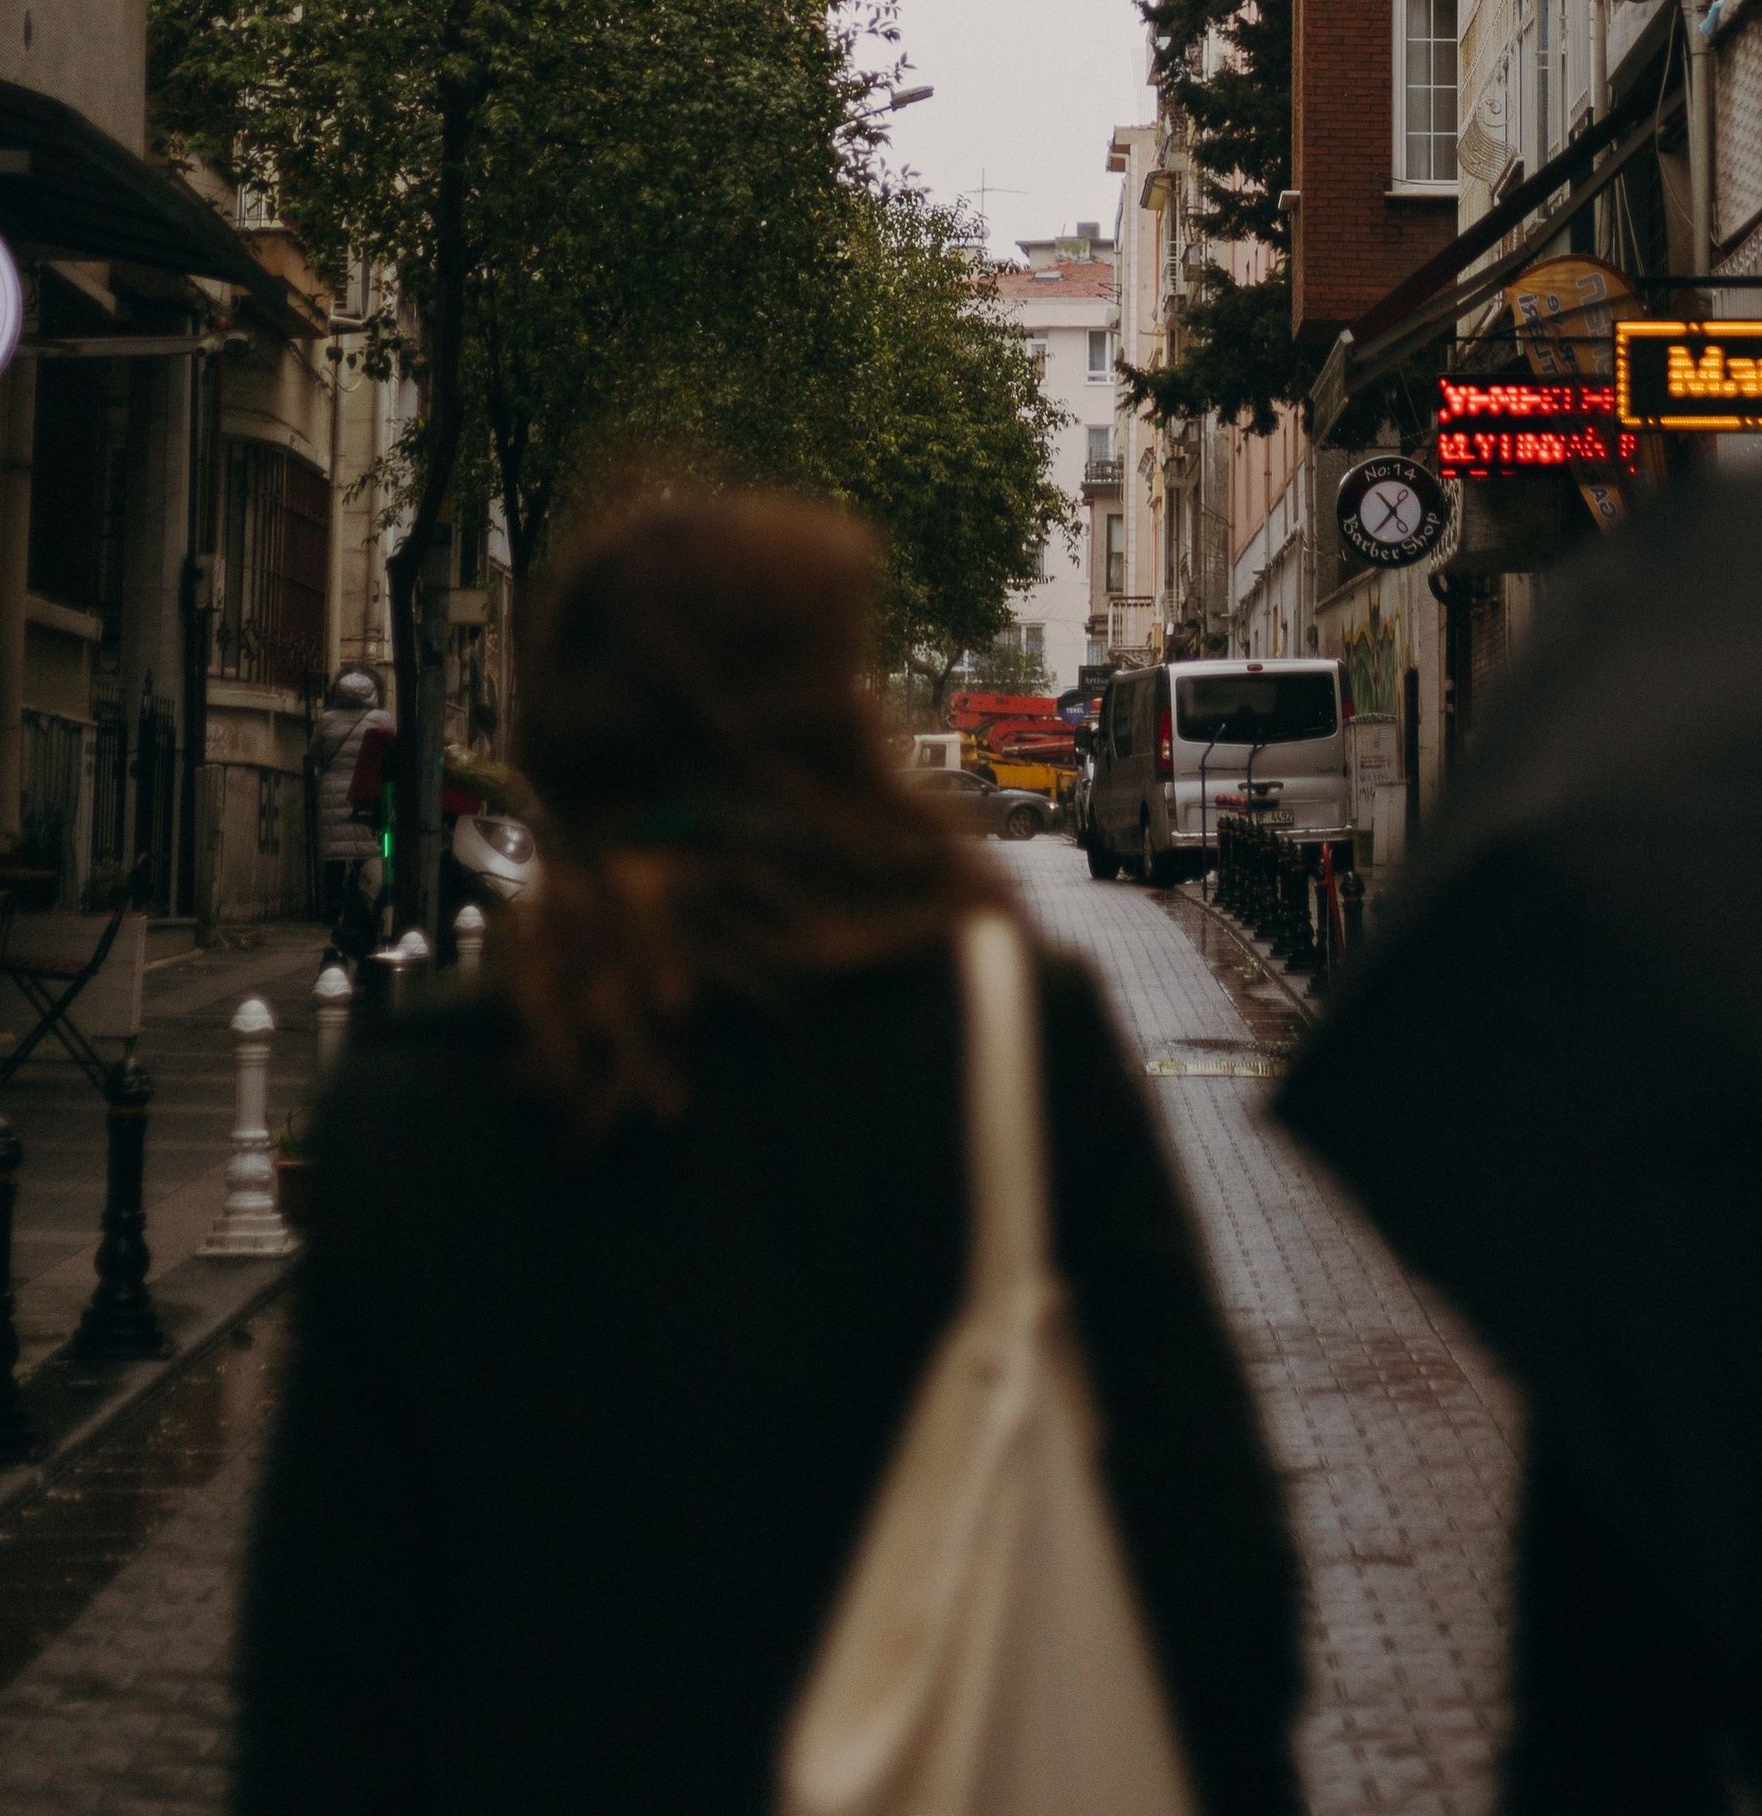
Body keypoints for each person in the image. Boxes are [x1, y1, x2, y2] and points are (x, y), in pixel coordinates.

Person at [238, 485, 1302, 1816]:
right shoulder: (1006, 1045)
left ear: (564, 749)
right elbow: (1207, 1551)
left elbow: (329, 1658)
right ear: (835, 727)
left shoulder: (428, 1107)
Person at [308, 665, 387, 966]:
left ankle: (331, 908)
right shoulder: (382, 719)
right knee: (367, 852)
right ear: (373, 693)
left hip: (332, 795)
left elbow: (315, 756)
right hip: (367, 794)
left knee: (333, 856)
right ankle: (362, 903)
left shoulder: (327, 721)